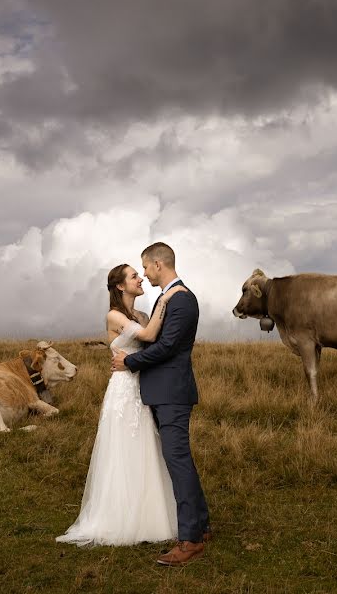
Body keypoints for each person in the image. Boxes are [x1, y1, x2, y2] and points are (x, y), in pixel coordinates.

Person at [56, 263, 185, 546]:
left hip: (142, 385)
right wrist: (165, 300)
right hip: (124, 389)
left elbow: (155, 343)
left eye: (139, 274)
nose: (140, 279)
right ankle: (120, 517)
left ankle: (150, 516)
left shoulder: (139, 314)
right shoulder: (113, 315)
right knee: (124, 447)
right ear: (120, 286)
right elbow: (150, 336)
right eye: (133, 276)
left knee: (146, 447)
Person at [111, 242, 211, 567]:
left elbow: (167, 347)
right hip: (164, 392)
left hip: (172, 393)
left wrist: (131, 362)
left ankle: (191, 540)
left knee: (177, 461)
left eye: (145, 267)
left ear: (157, 264)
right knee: (181, 460)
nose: (144, 274)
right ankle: (200, 526)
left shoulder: (181, 299)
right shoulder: (168, 297)